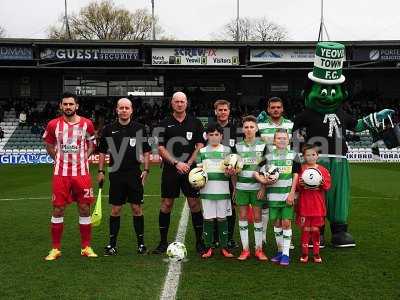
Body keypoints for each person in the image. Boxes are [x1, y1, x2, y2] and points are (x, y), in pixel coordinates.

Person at [43, 92, 97, 261]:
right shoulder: (53, 125)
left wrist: (83, 158)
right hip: (61, 174)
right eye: (65, 104)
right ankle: (56, 248)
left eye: (71, 104)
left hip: (82, 174)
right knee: (58, 209)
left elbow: (92, 144)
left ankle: (86, 247)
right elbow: (49, 145)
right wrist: (59, 159)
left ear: (76, 106)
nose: (68, 107)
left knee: (84, 208)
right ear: (61, 106)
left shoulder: (87, 124)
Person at [152, 92, 205, 255]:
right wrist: (176, 163)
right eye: (177, 102)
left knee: (194, 204)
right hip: (170, 169)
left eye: (182, 101)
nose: (180, 104)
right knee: (167, 204)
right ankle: (162, 242)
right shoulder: (163, 123)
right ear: (172, 104)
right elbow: (160, 148)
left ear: (186, 103)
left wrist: (188, 164)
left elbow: (200, 145)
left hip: (191, 171)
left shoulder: (195, 122)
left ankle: (199, 242)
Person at [97, 98, 151, 256]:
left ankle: (141, 244)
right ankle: (111, 245)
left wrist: (146, 169)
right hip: (116, 175)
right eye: (121, 108)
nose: (124, 110)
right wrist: (100, 171)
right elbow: (102, 152)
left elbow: (146, 150)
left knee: (136, 208)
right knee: (115, 210)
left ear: (132, 110)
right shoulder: (108, 129)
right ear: (117, 110)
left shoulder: (140, 128)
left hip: (134, 174)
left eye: (127, 108)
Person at [254, 129, 299, 266]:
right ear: (274, 141)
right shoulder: (268, 156)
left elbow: (296, 175)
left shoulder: (294, 155)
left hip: (287, 196)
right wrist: (263, 184)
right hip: (273, 196)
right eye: (278, 138)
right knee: (276, 223)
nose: (281, 140)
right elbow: (258, 171)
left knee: (286, 223)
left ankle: (286, 254)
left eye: (284, 138)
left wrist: (292, 193)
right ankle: (279, 251)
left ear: (288, 140)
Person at [257, 97, 294, 248]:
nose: (276, 110)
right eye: (273, 107)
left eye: (278, 107)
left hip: (285, 169)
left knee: (287, 204)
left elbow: (294, 146)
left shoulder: (290, 124)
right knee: (265, 203)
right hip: (267, 167)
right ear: (268, 109)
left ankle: (287, 240)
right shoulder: (261, 126)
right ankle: (264, 237)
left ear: (282, 108)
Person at [197, 123, 235, 258]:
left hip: (223, 191)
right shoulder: (202, 152)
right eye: (211, 135)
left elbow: (232, 172)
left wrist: (231, 174)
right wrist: (197, 182)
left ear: (221, 136)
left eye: (216, 135)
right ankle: (208, 247)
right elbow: (198, 172)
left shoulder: (227, 150)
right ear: (207, 136)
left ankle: (224, 247)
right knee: (208, 219)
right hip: (207, 191)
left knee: (222, 218)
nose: (214, 137)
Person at [234, 115, 268, 261]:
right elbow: (233, 168)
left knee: (257, 217)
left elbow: (267, 169)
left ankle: (259, 249)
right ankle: (245, 249)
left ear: (256, 128)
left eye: (251, 127)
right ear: (243, 129)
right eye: (246, 127)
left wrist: (263, 187)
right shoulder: (237, 146)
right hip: (241, 187)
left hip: (256, 188)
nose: (248, 130)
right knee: (242, 217)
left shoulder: (263, 145)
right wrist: (235, 188)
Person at [209, 99, 239, 249]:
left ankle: (229, 237)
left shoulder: (235, 129)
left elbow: (239, 153)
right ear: (215, 112)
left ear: (229, 111)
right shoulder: (209, 129)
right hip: (214, 175)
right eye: (219, 110)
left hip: (231, 175)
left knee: (231, 206)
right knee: (214, 205)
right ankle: (214, 237)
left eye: (225, 110)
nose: (222, 112)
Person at [296, 144, 331, 263]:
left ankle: (316, 253)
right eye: (307, 155)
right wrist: (300, 184)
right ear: (303, 157)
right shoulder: (301, 169)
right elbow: (296, 187)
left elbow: (327, 186)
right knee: (306, 229)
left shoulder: (322, 170)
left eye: (313, 155)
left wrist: (320, 182)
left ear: (317, 156)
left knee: (316, 230)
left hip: (317, 205)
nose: (310, 157)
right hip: (304, 205)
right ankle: (305, 253)